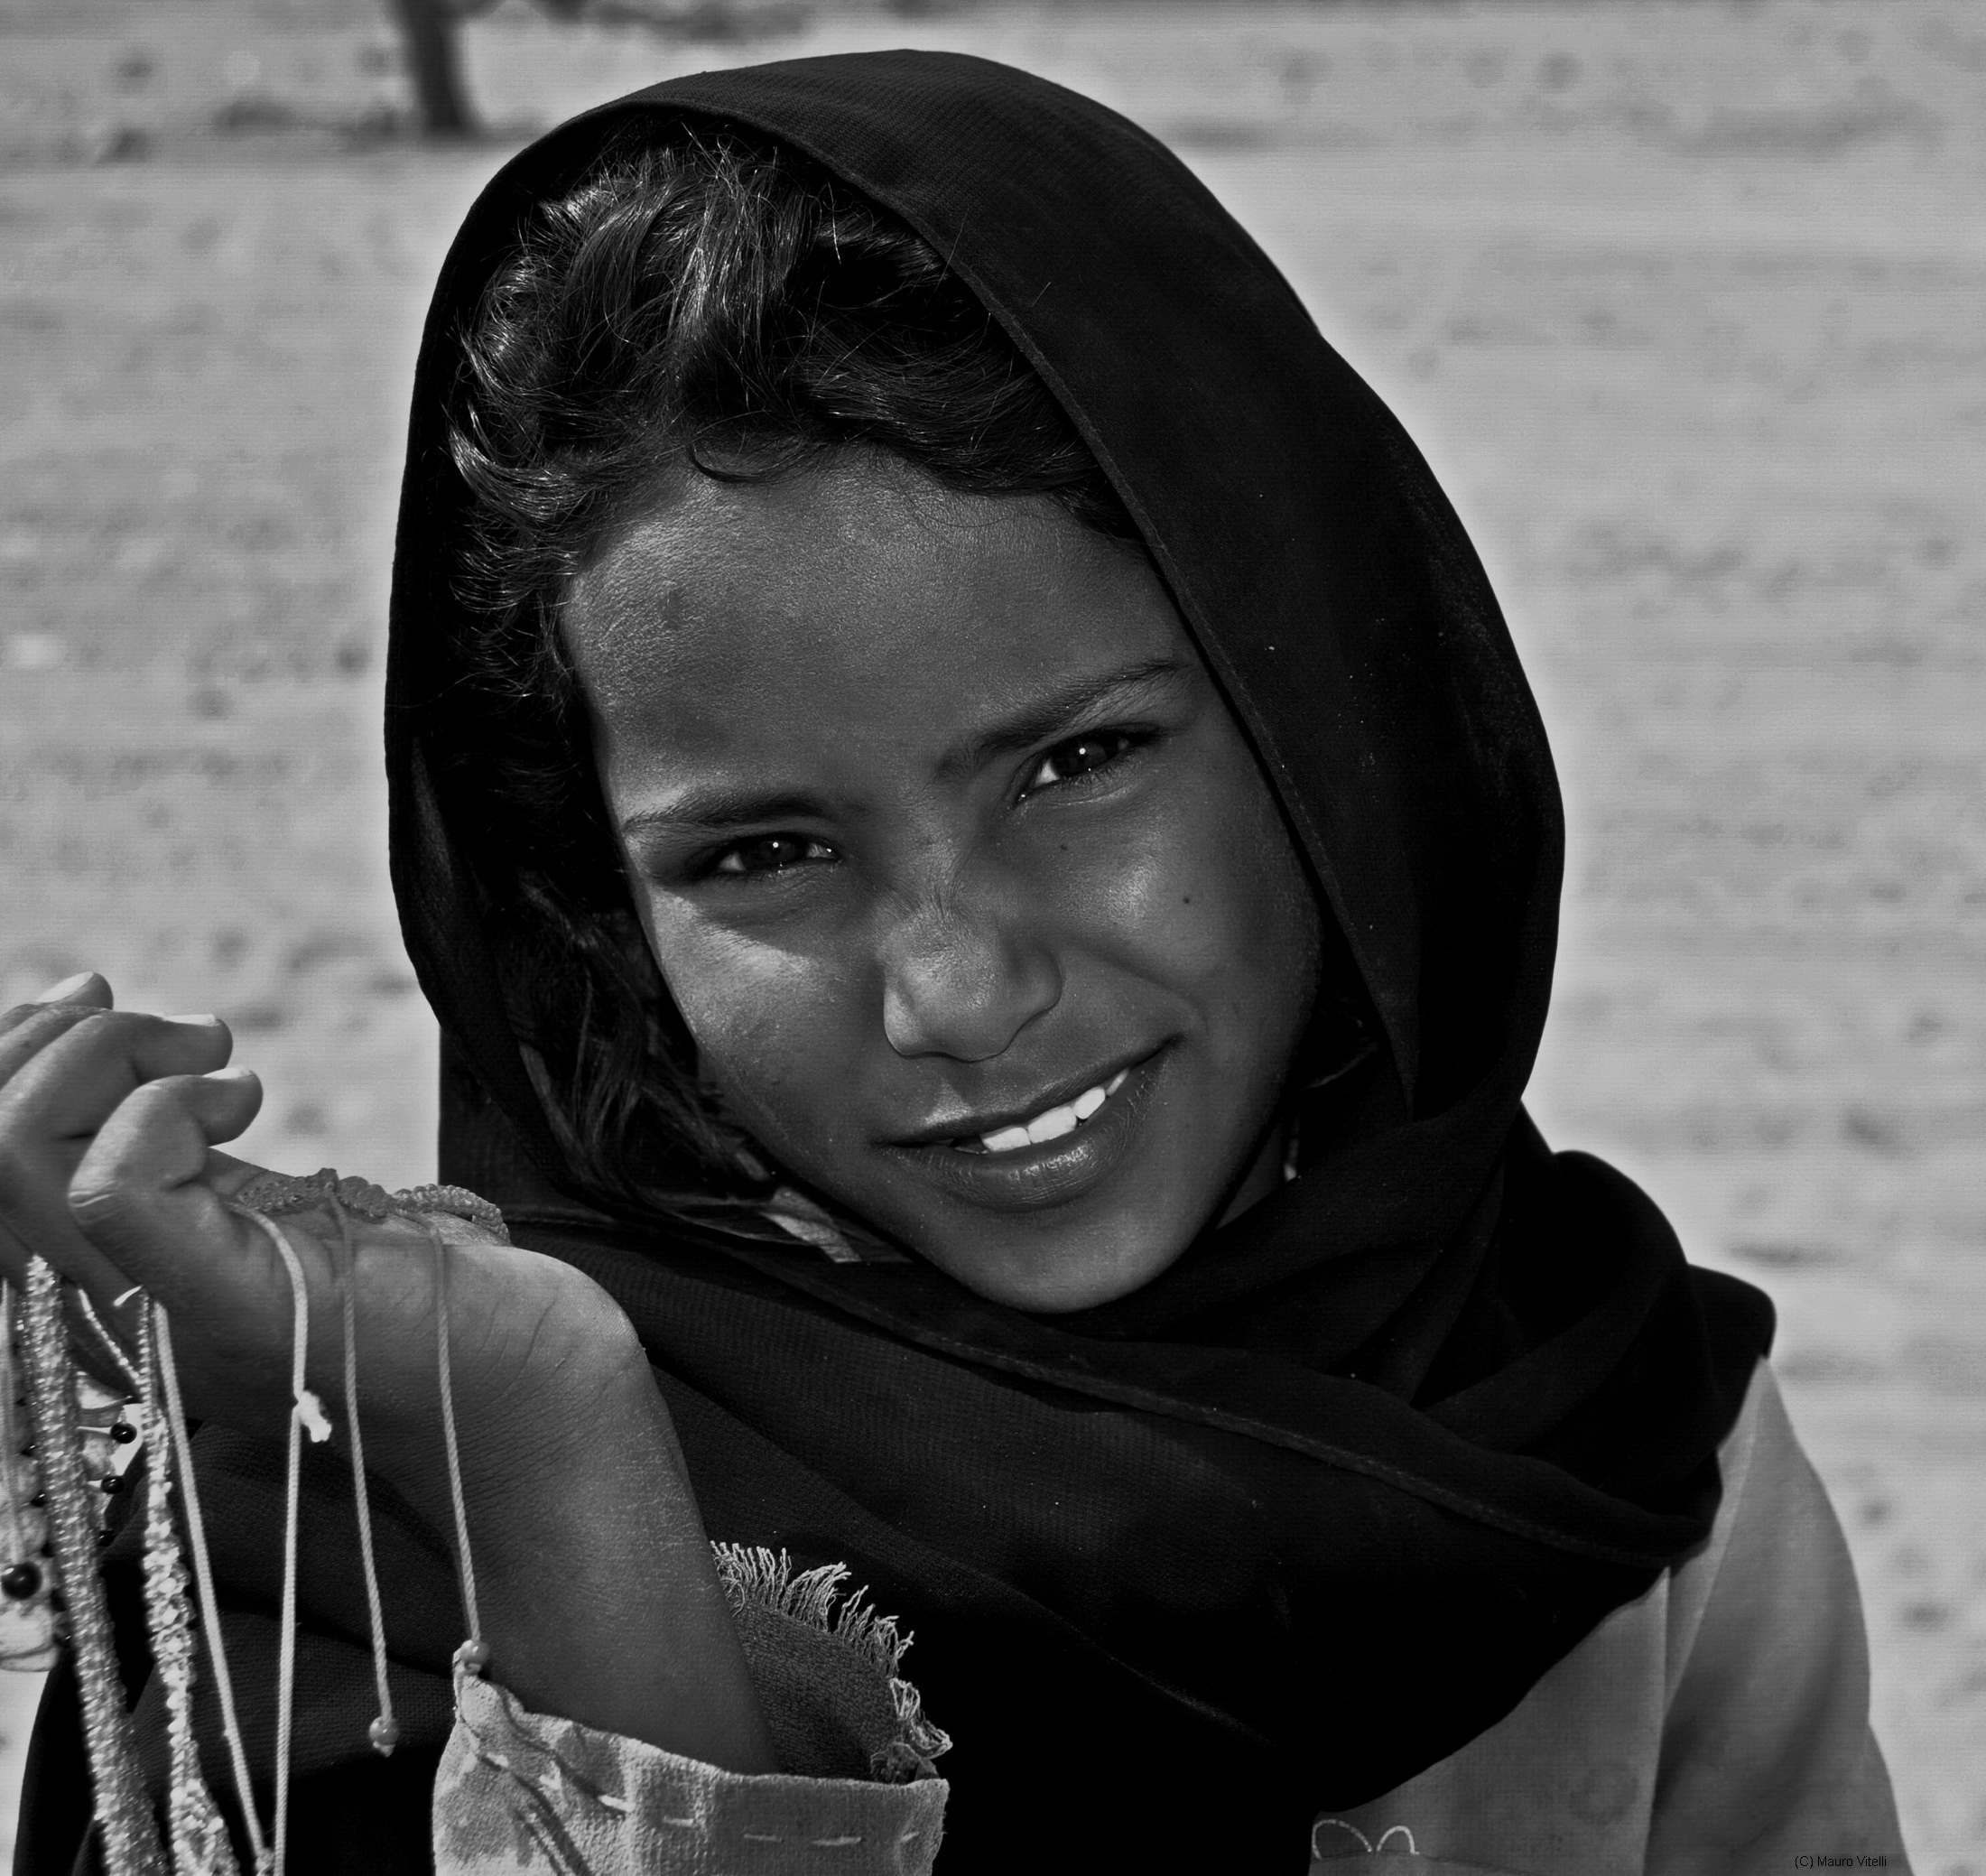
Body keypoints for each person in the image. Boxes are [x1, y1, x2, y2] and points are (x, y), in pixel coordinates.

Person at [0, 50, 1909, 1876]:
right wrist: (557, 1472)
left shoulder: (1618, 1449)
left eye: (1075, 764)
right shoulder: (359, 1551)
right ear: (593, 909)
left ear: (1326, 722)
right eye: (763, 853)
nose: (958, 989)